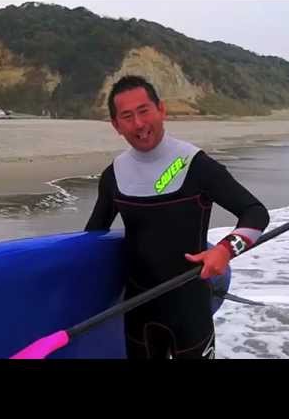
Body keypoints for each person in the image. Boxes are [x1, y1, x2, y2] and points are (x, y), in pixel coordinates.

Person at [85, 75, 270, 359]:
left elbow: (255, 213)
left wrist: (225, 250)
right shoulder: (114, 175)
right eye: (127, 116)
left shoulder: (195, 164)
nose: (139, 124)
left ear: (161, 109)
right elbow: (92, 238)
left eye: (144, 111)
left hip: (190, 310)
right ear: (116, 125)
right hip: (138, 310)